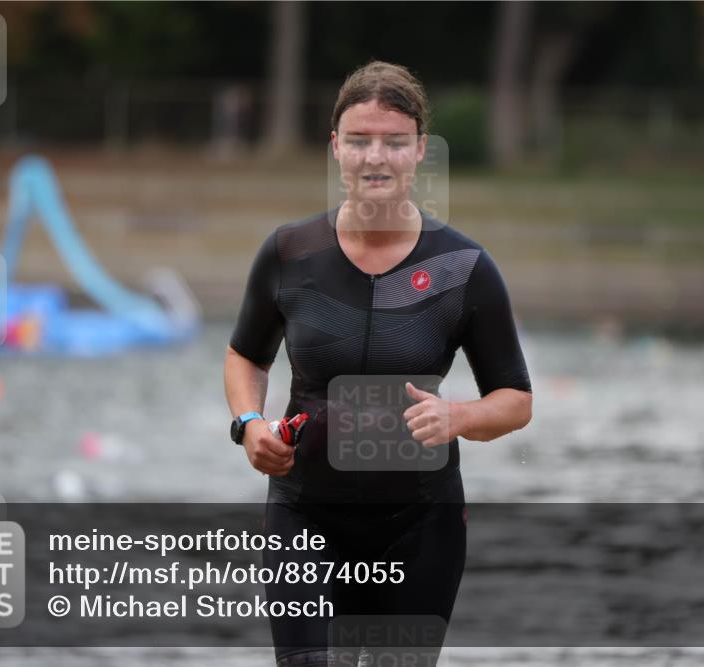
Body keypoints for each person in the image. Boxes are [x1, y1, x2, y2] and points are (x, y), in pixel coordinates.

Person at [224, 61, 533, 667]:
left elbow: (516, 401)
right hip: (304, 512)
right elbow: (244, 355)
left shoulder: (464, 267)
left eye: (394, 142)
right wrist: (248, 424)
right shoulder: (289, 253)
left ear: (420, 151)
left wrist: (458, 417)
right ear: (335, 147)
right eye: (360, 141)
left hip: (420, 524)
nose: (376, 158)